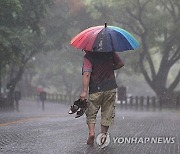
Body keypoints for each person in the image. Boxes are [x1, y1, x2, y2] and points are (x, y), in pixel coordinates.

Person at [80, 51, 124, 145]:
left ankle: (91, 133)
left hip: (95, 89)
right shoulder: (110, 52)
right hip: (110, 87)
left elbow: (87, 73)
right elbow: (120, 64)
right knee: (107, 112)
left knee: (91, 112)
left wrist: (84, 91)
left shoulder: (89, 56)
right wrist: (110, 68)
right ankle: (103, 135)